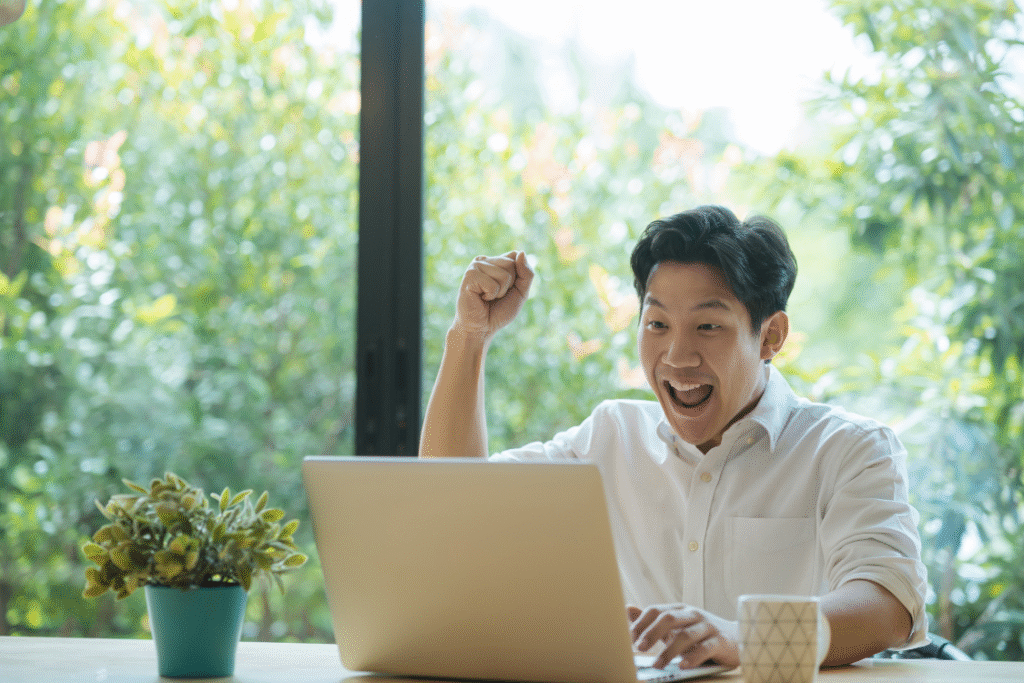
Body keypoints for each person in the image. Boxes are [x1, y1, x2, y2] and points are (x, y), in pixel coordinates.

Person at [420, 205, 928, 670]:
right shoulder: (609, 437)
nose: (678, 356)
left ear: (770, 336)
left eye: (707, 326)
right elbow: (452, 503)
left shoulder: (849, 450)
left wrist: (745, 637)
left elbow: (887, 604)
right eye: (657, 323)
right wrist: (471, 334)